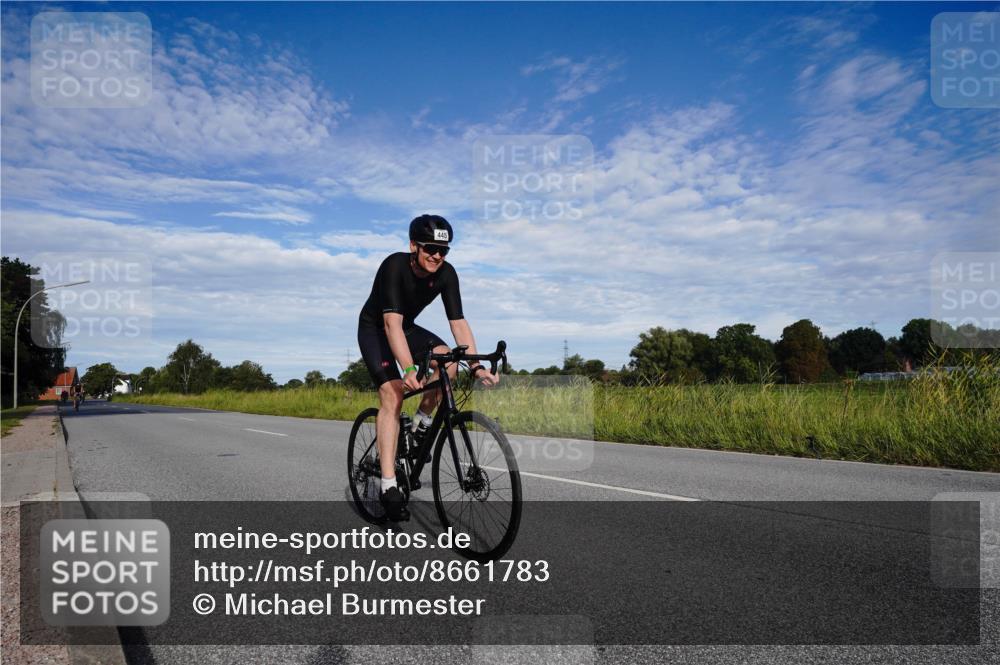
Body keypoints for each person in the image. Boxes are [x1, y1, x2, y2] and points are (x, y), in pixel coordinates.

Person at [357, 214, 499, 521]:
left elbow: (458, 323)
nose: (436, 255)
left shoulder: (446, 274)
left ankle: (421, 425)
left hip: (406, 328)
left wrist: (476, 367)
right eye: (430, 248)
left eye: (443, 250)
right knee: (393, 394)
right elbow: (390, 324)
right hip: (376, 329)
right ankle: (389, 484)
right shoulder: (394, 266)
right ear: (413, 246)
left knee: (447, 360)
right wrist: (408, 370)